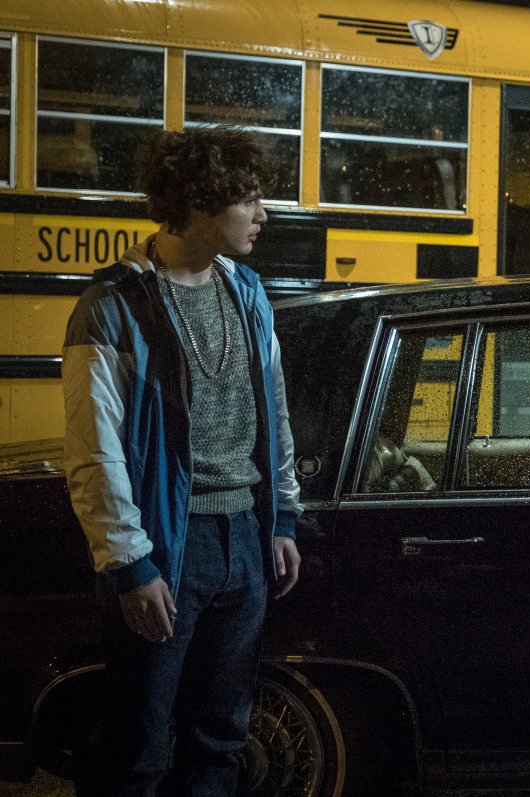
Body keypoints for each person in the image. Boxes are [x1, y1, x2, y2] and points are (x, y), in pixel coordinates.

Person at [62, 126, 303, 794]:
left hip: (245, 540)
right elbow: (94, 447)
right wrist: (129, 563)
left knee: (221, 739)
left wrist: (281, 516)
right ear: (200, 204)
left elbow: (274, 407)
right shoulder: (113, 305)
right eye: (248, 199)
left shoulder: (246, 290)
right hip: (168, 546)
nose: (263, 214)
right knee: (139, 745)